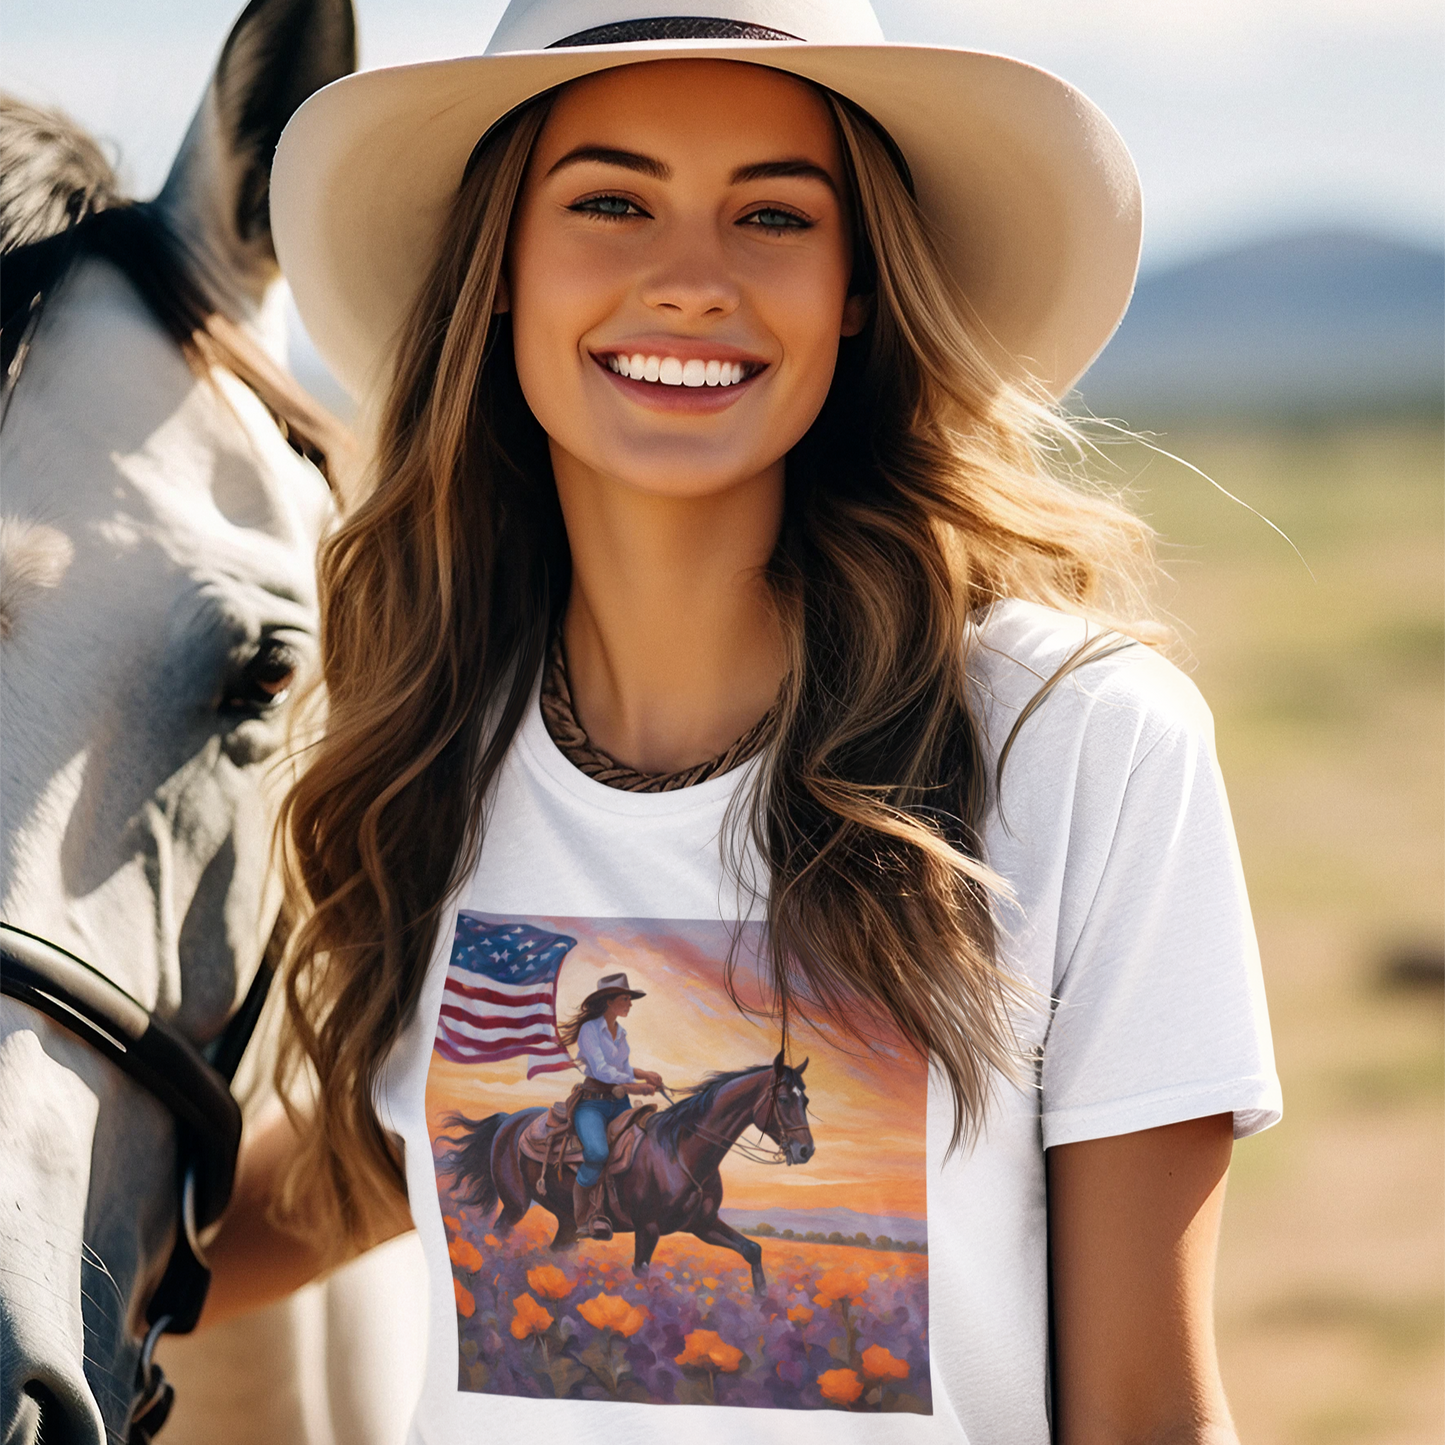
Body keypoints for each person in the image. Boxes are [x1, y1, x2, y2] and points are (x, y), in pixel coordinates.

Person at [201, 2, 1281, 1440]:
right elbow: (342, 1178)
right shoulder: (430, 738)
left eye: (774, 215)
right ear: (500, 268)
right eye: (610, 202)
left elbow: (1147, 1410)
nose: (692, 282)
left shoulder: (1072, 739)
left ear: (855, 288)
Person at [556, 971, 662, 1239]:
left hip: (619, 1102)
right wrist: (637, 1087)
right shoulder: (589, 1030)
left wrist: (644, 1074)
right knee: (597, 1153)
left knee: (643, 1146)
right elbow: (602, 1070)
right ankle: (583, 1218)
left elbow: (622, 1067)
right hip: (592, 1104)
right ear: (609, 1001)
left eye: (629, 999)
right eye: (625, 999)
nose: (630, 1004)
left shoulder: (620, 1032)